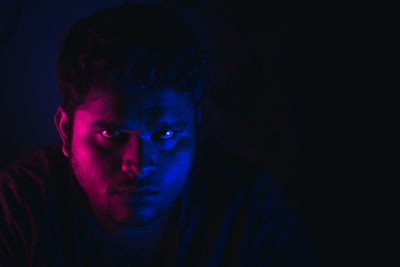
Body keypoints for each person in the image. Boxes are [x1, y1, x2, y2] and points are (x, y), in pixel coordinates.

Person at [0, 2, 314, 266]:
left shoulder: (247, 209)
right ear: (67, 132)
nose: (138, 164)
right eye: (111, 134)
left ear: (195, 127)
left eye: (165, 135)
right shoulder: (15, 210)